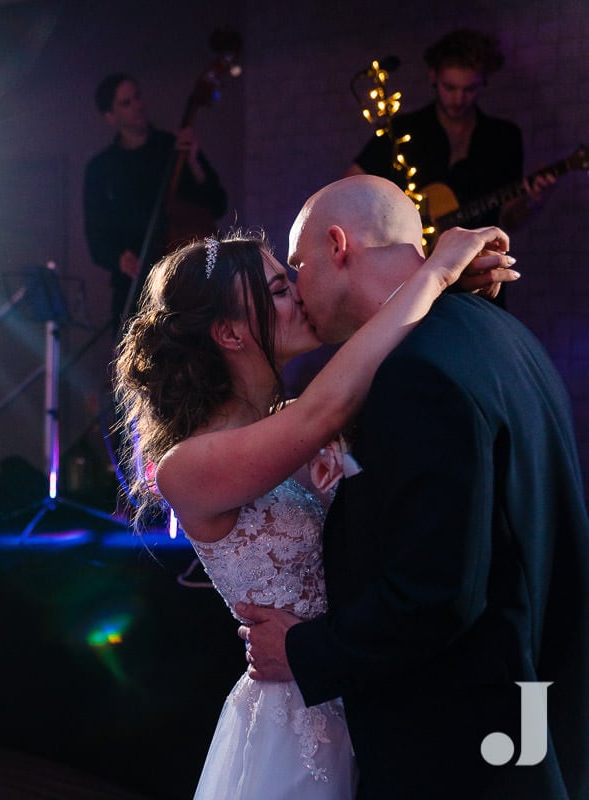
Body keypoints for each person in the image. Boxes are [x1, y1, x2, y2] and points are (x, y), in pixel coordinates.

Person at [114, 222, 516, 798]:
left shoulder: (296, 425)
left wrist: (445, 293)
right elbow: (327, 407)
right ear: (229, 333)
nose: (299, 294)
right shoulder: (187, 466)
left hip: (361, 682)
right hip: (297, 714)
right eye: (278, 290)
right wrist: (436, 271)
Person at [239, 174, 589, 799]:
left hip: (459, 747)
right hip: (532, 712)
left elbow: (436, 593)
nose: (294, 291)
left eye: (297, 267)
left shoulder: (416, 374)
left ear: (338, 245)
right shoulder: (499, 333)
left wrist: (305, 652)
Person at [346, 29, 553, 310]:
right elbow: (350, 188)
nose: (458, 99)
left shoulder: (503, 137)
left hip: (479, 281)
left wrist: (533, 200)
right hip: (411, 280)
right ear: (434, 77)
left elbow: (510, 219)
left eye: (469, 89)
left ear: (482, 82)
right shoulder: (404, 130)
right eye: (449, 87)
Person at [84, 72, 228, 330]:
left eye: (137, 97)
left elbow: (217, 204)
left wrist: (194, 160)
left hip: (185, 284)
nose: (137, 106)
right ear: (110, 117)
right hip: (133, 288)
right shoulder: (100, 169)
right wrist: (120, 259)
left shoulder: (173, 147)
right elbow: (96, 238)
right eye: (126, 103)